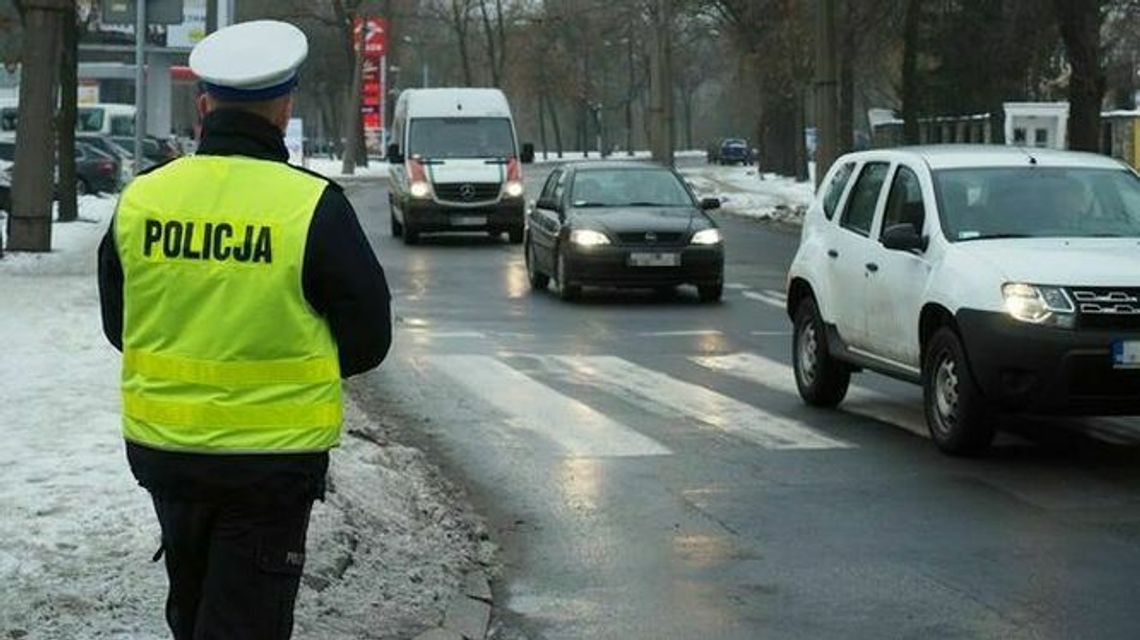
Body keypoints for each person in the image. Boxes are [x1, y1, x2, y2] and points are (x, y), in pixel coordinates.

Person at [96, 20, 392, 639]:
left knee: (195, 605)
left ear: (203, 106)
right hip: (270, 466)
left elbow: (121, 326)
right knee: (245, 622)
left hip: (165, 455)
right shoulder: (310, 205)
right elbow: (369, 339)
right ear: (283, 109)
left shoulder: (144, 199)